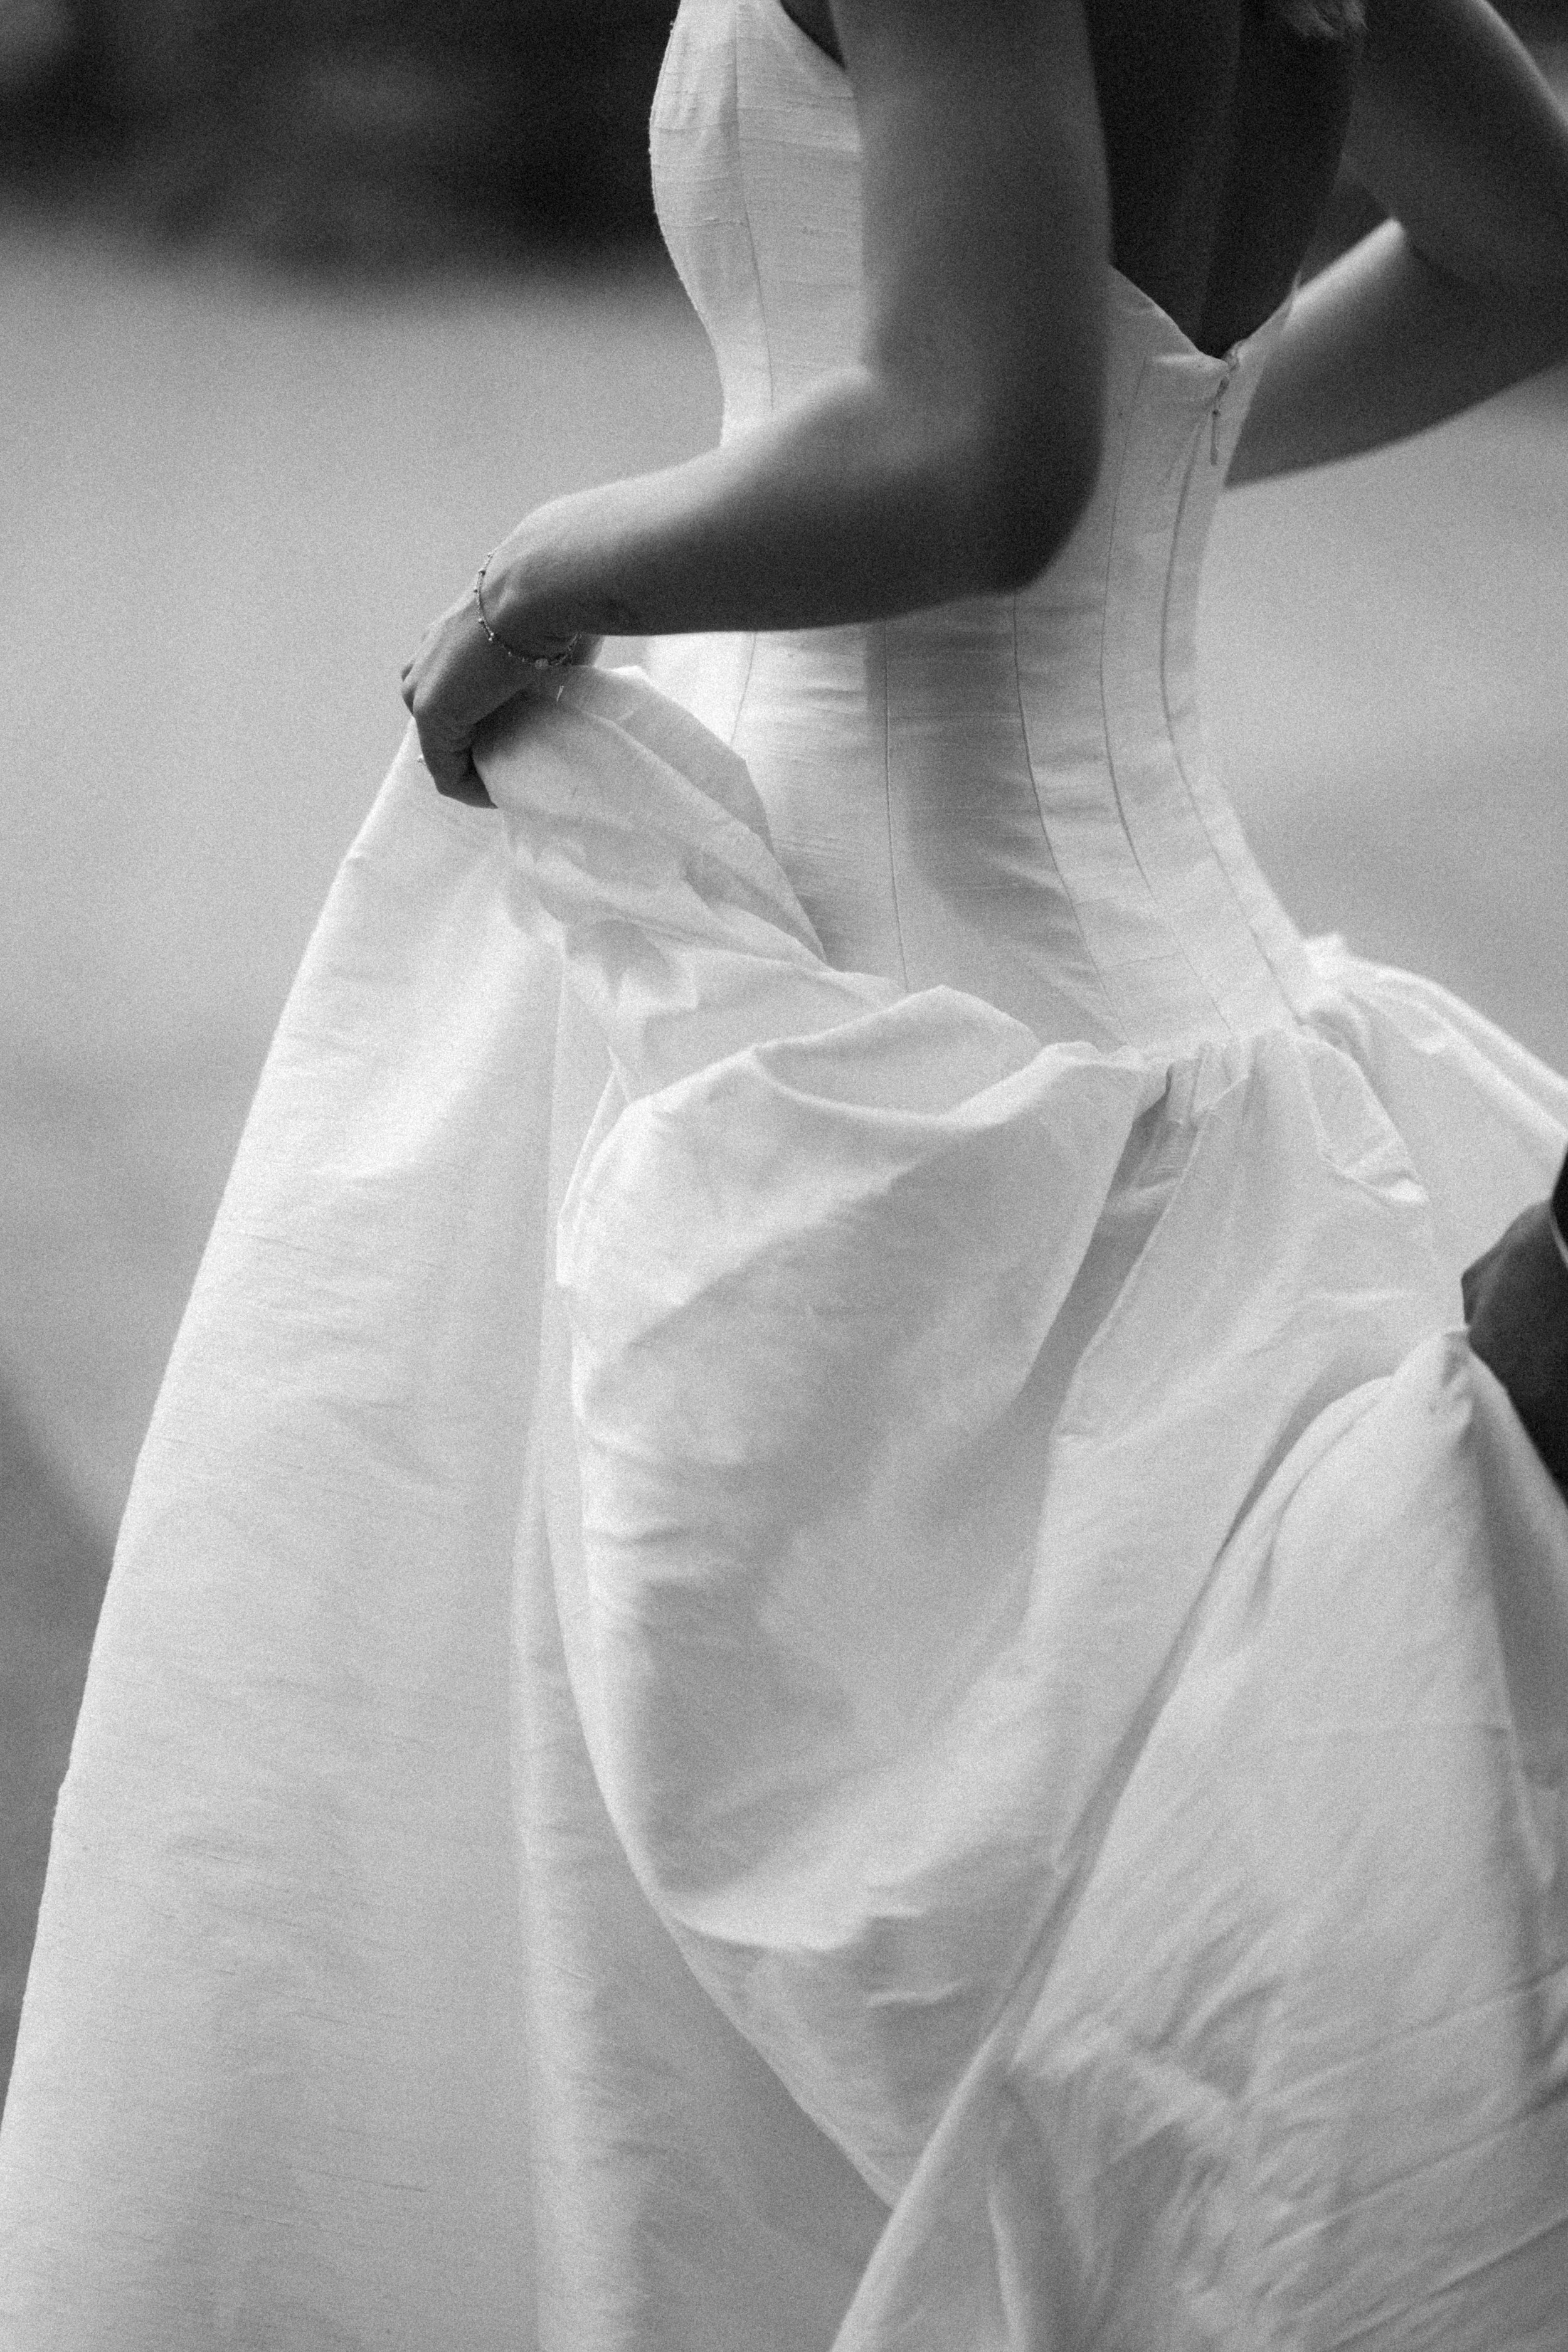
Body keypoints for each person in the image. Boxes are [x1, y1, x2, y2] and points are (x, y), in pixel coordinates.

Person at [3, 0, 1567, 2344]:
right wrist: (1185, 445)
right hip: (1200, 1023)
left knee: (640, 1927)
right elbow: (1522, 248)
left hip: (871, 1035)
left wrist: (556, 565)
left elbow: (972, 451)